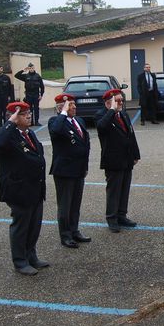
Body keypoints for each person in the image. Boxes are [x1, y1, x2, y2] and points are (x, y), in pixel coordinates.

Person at [0, 101, 48, 276]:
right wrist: (10, 122)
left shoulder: (29, 133)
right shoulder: (5, 134)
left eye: (29, 112)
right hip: (19, 189)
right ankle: (20, 261)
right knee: (21, 227)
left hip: (35, 187)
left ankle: (31, 256)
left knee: (34, 225)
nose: (28, 116)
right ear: (13, 117)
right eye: (23, 114)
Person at [48, 93, 92, 248]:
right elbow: (56, 130)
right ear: (61, 107)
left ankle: (74, 230)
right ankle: (65, 235)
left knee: (75, 204)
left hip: (79, 169)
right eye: (70, 105)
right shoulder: (55, 121)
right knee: (65, 205)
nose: (74, 107)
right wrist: (63, 113)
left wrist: (85, 166)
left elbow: (85, 144)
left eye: (74, 104)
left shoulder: (79, 121)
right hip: (65, 171)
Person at [95, 89, 140, 232]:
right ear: (109, 102)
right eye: (118, 101)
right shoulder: (102, 115)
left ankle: (122, 215)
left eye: (122, 100)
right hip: (113, 160)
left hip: (126, 159)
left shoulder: (124, 114)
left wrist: (135, 154)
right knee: (114, 191)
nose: (121, 103)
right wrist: (112, 111)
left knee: (124, 189)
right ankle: (112, 218)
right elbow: (102, 127)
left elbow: (130, 135)